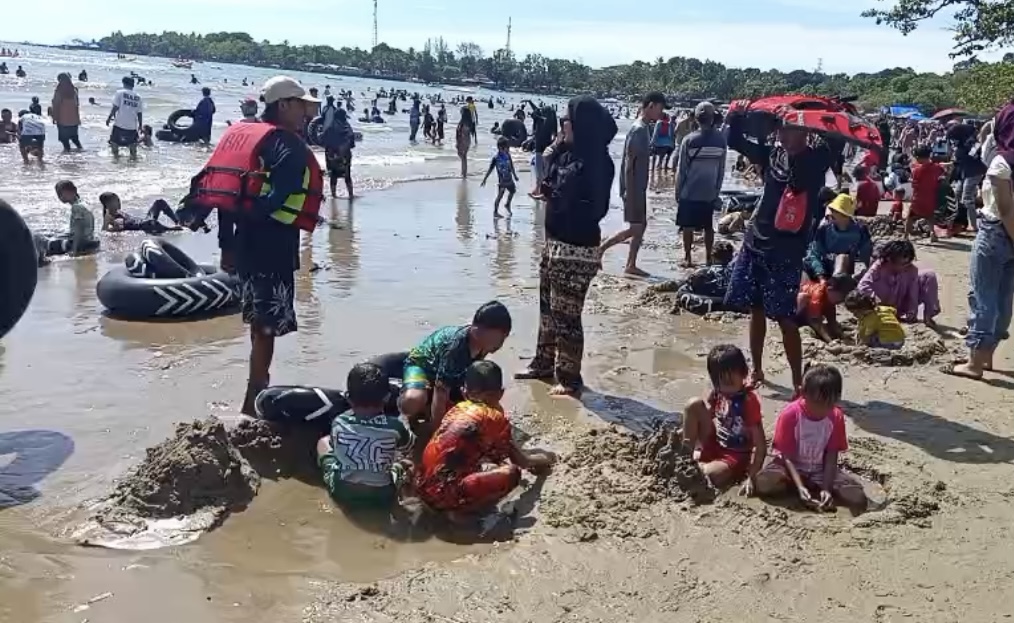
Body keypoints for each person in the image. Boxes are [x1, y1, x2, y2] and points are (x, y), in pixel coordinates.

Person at [179, 76, 322, 414]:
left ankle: (255, 388)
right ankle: (254, 397)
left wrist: (226, 245)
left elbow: (228, 197)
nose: (305, 113)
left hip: (242, 244)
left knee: (257, 322)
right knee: (266, 327)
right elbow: (276, 200)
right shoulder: (288, 146)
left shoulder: (249, 136)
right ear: (283, 105)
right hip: (273, 247)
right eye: (300, 105)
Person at [724, 102, 833, 390]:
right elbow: (734, 141)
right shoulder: (773, 155)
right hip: (756, 242)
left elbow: (804, 175)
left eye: (790, 129)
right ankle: (757, 370)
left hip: (787, 249)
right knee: (755, 309)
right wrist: (735, 116)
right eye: (781, 128)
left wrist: (822, 123)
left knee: (786, 318)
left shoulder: (815, 161)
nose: (782, 134)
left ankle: (797, 382)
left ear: (805, 131)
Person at [515, 97, 616, 397]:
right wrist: (556, 148)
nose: (562, 127)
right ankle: (543, 363)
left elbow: (593, 207)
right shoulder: (566, 154)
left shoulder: (597, 162)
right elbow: (547, 180)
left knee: (567, 316)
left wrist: (557, 191)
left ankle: (570, 377)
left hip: (577, 248)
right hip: (554, 241)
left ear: (582, 125)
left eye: (566, 122)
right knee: (547, 309)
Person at [416, 361, 556, 523]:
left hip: (422, 488)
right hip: (446, 495)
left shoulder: (456, 409)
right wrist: (547, 459)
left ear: (464, 392)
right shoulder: (494, 418)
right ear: (500, 394)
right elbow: (523, 461)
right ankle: (459, 512)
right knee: (512, 472)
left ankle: (446, 502)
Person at [948, 104, 1014, 380]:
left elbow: (1006, 210)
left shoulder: (1003, 162)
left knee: (983, 297)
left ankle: (975, 362)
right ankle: (987, 356)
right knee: (1004, 300)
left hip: (997, 231)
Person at [755, 364, 866, 511]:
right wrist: (800, 486)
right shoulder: (790, 414)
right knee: (763, 483)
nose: (822, 409)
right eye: (818, 403)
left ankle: (819, 492)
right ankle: (798, 489)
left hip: (820, 470)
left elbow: (832, 456)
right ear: (803, 393)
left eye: (829, 404)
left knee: (857, 498)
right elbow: (786, 457)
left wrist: (826, 488)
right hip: (790, 468)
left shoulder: (835, 417)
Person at [316, 362, 414, 510]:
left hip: (342, 492)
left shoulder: (339, 421)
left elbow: (336, 447)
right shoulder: (395, 426)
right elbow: (408, 446)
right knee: (407, 463)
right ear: (387, 397)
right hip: (382, 495)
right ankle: (408, 497)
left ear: (348, 398)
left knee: (323, 442)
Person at [400, 301, 512, 427]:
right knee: (414, 400)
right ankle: (406, 405)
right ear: (479, 331)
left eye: (505, 337)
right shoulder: (456, 348)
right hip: (422, 367)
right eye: (500, 337)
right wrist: (437, 430)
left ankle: (428, 406)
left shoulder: (483, 344)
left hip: (450, 375)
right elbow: (440, 391)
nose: (501, 343)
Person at [682, 344, 766, 490]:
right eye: (719, 383)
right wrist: (688, 431)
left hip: (736, 455)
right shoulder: (718, 392)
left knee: (708, 475)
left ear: (744, 374)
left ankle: (698, 466)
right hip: (717, 442)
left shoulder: (748, 401)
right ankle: (684, 455)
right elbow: (707, 415)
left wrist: (752, 476)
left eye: (730, 382)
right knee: (693, 404)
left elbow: (760, 445)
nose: (725, 388)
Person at [601, 91, 667, 277]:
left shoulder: (644, 128)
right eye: (660, 108)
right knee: (636, 227)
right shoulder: (639, 129)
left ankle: (631, 264)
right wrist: (629, 191)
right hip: (634, 187)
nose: (661, 113)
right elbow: (630, 164)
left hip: (637, 186)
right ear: (651, 105)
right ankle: (602, 249)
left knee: (640, 225)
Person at [674, 101, 727, 267]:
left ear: (696, 119)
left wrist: (678, 192)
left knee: (687, 226)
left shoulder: (689, 140)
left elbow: (682, 170)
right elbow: (721, 170)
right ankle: (708, 258)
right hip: (709, 192)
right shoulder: (721, 140)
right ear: (713, 119)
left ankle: (688, 258)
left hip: (689, 192)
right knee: (708, 226)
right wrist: (716, 191)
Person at [857, 239, 940, 328]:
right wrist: (875, 298)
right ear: (889, 259)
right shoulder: (878, 267)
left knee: (929, 275)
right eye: (901, 263)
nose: (905, 266)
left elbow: (913, 292)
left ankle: (928, 316)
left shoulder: (910, 269)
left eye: (907, 262)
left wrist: (912, 311)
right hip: (880, 306)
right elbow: (862, 285)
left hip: (899, 305)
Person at [805, 194, 873, 281]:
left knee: (842, 258)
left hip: (851, 278)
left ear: (845, 215)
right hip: (824, 275)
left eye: (835, 210)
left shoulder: (861, 231)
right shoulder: (824, 230)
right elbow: (814, 254)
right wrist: (820, 275)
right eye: (831, 210)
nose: (831, 212)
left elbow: (864, 259)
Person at [674, 240, 735, 314]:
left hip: (704, 302)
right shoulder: (737, 273)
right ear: (732, 257)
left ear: (712, 256)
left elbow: (686, 287)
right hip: (731, 303)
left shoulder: (702, 272)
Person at [796, 274, 856, 343]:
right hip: (796, 314)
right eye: (841, 298)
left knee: (827, 310)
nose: (841, 302)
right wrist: (829, 341)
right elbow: (816, 322)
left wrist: (842, 335)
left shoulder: (830, 297)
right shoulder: (818, 294)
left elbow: (832, 320)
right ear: (830, 288)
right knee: (803, 297)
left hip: (812, 313)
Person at [908, 145, 943, 240]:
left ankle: (906, 234)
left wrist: (911, 180)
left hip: (918, 198)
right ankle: (932, 233)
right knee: (930, 216)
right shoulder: (937, 168)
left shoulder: (917, 170)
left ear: (918, 157)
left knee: (910, 216)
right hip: (931, 197)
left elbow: (914, 184)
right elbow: (942, 177)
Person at [100, 193, 182, 234]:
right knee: (150, 223)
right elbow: (105, 232)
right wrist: (114, 228)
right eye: (115, 201)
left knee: (159, 202)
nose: (119, 202)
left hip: (145, 221)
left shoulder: (118, 211)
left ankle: (177, 222)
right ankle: (170, 229)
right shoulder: (109, 216)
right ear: (108, 204)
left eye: (118, 200)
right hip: (143, 226)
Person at [481, 136, 519, 218]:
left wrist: (515, 175)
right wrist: (484, 179)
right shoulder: (496, 158)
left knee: (513, 191)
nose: (508, 149)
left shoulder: (508, 155)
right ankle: (495, 212)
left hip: (509, 179)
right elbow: (490, 169)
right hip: (502, 181)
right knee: (500, 196)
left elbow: (511, 166)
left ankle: (507, 204)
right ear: (501, 148)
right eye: (507, 147)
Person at [54, 180, 97, 255]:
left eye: (61, 193)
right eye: (58, 193)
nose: (59, 196)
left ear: (74, 191)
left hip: (82, 244)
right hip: (90, 240)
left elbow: (79, 231)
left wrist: (75, 251)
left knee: (42, 240)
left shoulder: (76, 207)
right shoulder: (83, 203)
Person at [106, 76, 143, 159]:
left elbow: (115, 107)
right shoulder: (138, 97)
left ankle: (116, 160)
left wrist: (109, 118)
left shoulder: (120, 93)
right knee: (132, 146)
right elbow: (139, 113)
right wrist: (140, 125)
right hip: (132, 126)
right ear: (133, 85)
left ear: (124, 83)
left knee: (114, 143)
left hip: (119, 123)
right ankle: (133, 161)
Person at [324, 107, 355, 199]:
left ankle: (334, 195)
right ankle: (350, 195)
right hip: (345, 155)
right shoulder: (347, 126)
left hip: (332, 155)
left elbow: (324, 140)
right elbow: (352, 143)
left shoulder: (330, 126)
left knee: (333, 175)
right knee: (347, 175)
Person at [51, 72, 82, 151]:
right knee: (75, 139)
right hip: (74, 119)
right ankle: (80, 151)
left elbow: (56, 105)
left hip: (62, 119)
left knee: (64, 140)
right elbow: (77, 105)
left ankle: (67, 153)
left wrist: (54, 117)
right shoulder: (74, 91)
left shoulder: (59, 91)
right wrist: (78, 119)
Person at [455, 106, 474, 177]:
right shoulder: (469, 121)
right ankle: (464, 172)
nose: (460, 112)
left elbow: (463, 132)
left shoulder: (464, 122)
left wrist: (459, 142)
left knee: (462, 156)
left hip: (463, 140)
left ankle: (464, 172)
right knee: (463, 156)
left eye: (461, 111)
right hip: (467, 140)